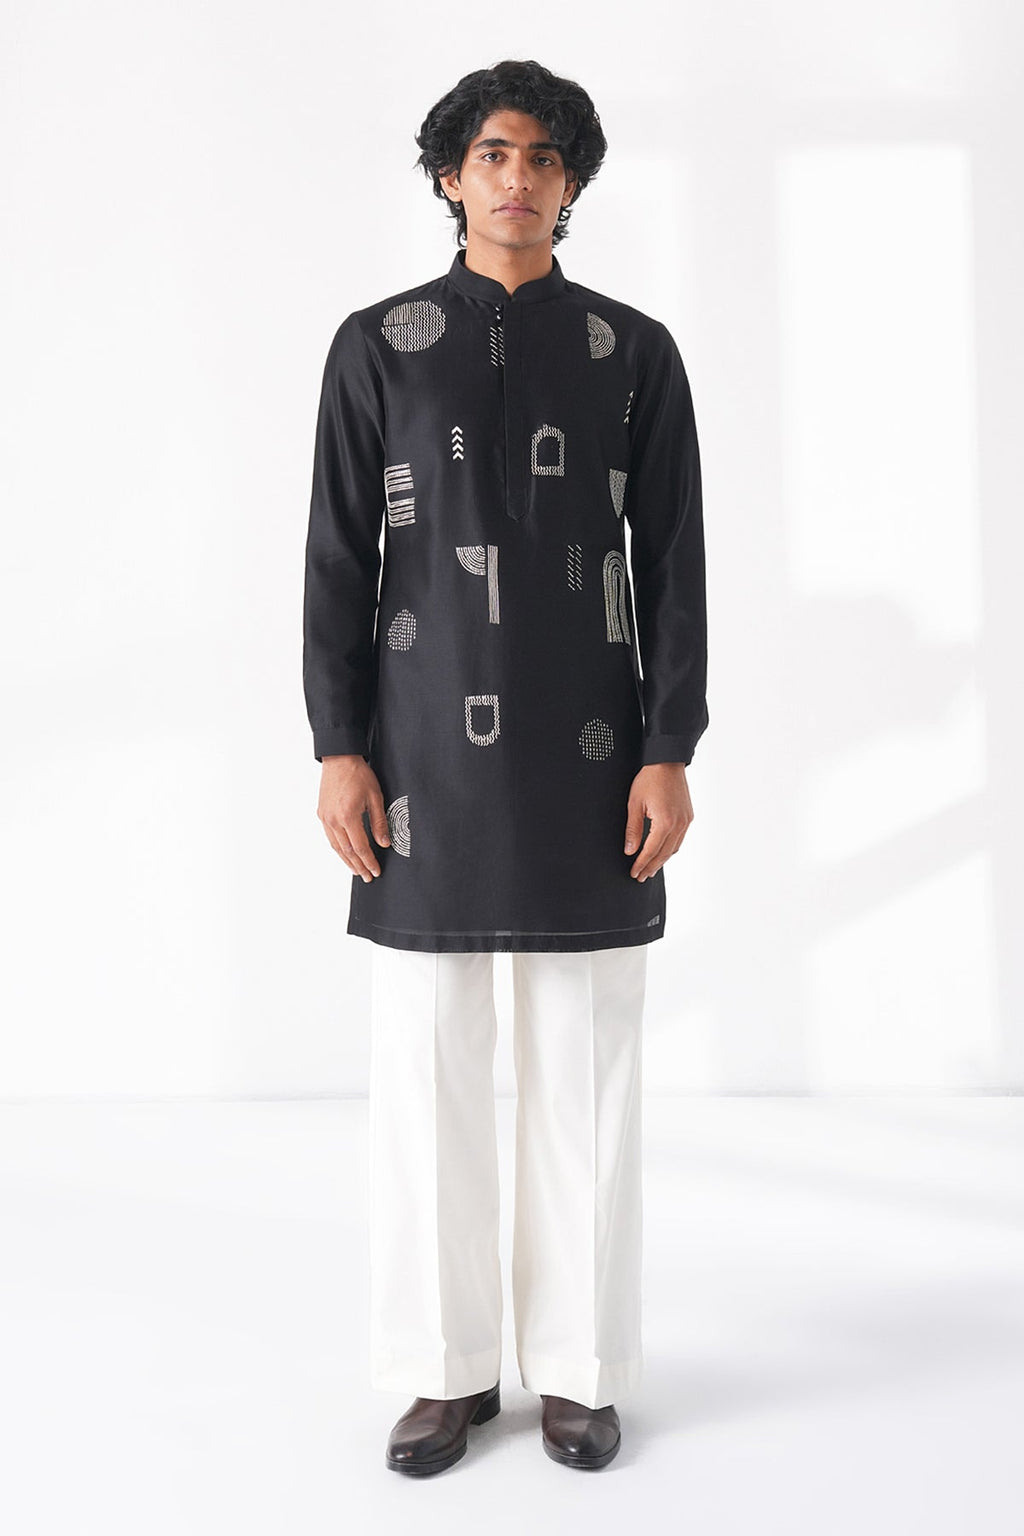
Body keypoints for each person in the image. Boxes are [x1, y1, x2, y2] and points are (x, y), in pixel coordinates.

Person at [302, 58, 709, 1474]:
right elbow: (339, 559)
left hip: (593, 757)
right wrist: (338, 744)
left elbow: (675, 563)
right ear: (450, 176)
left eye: (543, 157)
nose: (517, 178)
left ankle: (582, 1370)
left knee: (584, 1065)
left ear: (572, 182)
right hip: (419, 759)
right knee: (429, 1068)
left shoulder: (632, 353)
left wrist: (669, 746)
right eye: (492, 154)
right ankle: (444, 1369)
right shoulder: (379, 347)